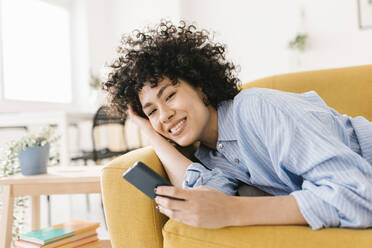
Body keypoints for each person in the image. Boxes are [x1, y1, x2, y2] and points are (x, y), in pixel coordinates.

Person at [102, 20, 372, 230]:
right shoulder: (211, 156)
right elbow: (203, 199)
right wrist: (151, 132)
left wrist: (232, 210)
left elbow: (358, 196)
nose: (164, 116)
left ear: (200, 85)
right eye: (151, 111)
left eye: (170, 95)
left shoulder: (258, 110)